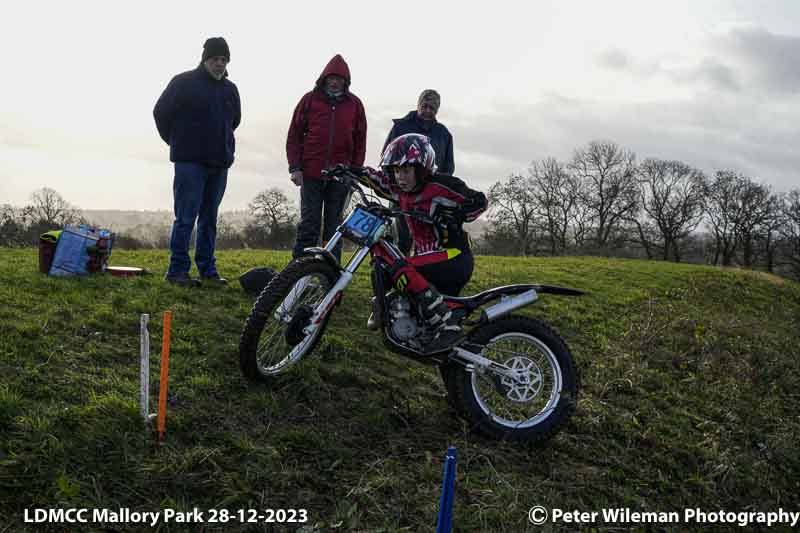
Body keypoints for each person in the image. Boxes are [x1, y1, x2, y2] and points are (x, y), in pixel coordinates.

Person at [349, 133, 487, 354]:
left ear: (421, 169)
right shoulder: (399, 190)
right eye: (395, 170)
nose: (400, 177)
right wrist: (350, 170)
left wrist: (455, 215)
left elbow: (479, 201)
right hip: (427, 258)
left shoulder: (442, 185)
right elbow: (376, 179)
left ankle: (448, 323)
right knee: (382, 264)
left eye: (405, 170)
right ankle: (389, 310)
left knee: (401, 266)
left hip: (453, 255)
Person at [153, 37, 241, 287]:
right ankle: (177, 271)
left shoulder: (230, 90)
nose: (219, 64)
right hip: (189, 163)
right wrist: (177, 142)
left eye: (224, 60)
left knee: (209, 219)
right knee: (185, 218)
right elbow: (161, 113)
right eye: (215, 59)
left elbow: (234, 121)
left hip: (219, 163)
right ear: (205, 59)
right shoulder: (182, 83)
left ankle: (207, 270)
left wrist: (225, 146)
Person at [286, 54, 367, 262]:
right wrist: (295, 167)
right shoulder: (309, 100)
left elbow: (360, 140)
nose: (334, 82)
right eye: (331, 78)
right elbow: (294, 135)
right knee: (309, 223)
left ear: (345, 81)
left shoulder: (355, 105)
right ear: (324, 78)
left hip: (341, 176)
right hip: (311, 173)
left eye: (339, 79)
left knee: (335, 226)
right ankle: (297, 270)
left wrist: (355, 171)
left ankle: (329, 275)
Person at [382, 89, 455, 254]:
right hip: (402, 191)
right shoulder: (401, 127)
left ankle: (420, 273)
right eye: (425, 106)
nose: (428, 111)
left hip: (428, 197)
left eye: (432, 108)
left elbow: (448, 167)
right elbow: (386, 157)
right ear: (419, 105)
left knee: (426, 241)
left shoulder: (444, 134)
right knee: (402, 238)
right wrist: (394, 184)